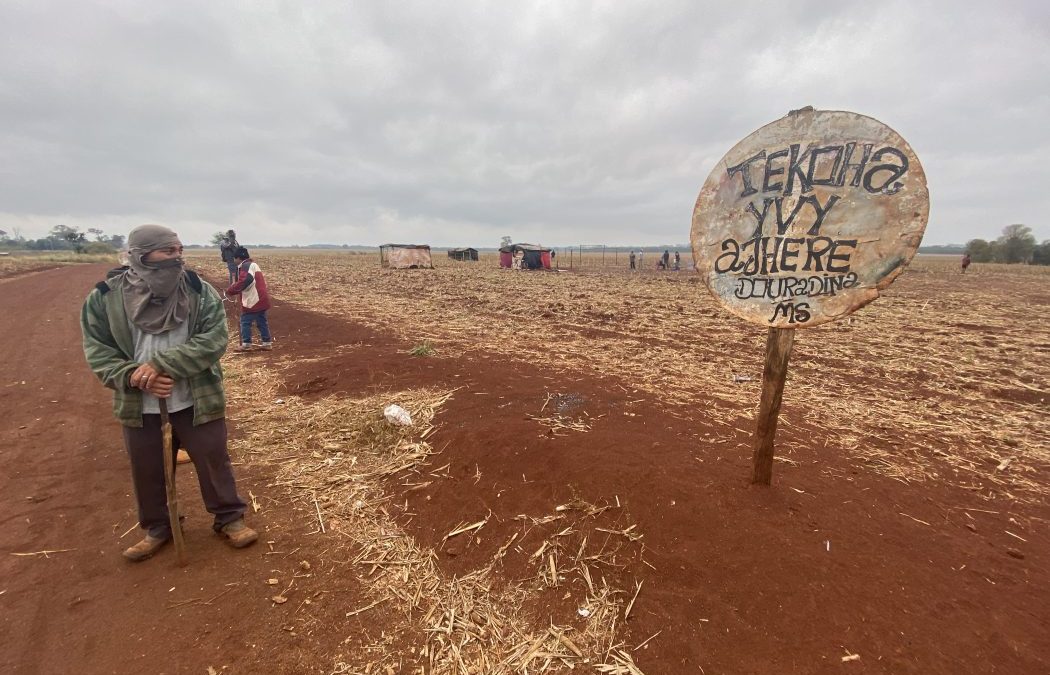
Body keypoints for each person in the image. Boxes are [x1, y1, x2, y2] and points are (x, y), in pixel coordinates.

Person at [81, 224, 257, 562]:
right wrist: (134, 376)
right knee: (147, 468)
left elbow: (214, 338)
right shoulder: (104, 297)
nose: (177, 258)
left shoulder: (197, 290)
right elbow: (98, 350)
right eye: (167, 251)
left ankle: (229, 519)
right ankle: (158, 527)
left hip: (196, 397)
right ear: (141, 255)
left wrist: (165, 365)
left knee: (213, 459)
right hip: (138, 403)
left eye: (179, 250)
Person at [226, 247, 273, 351]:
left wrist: (231, 290)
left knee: (245, 321)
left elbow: (244, 280)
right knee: (261, 321)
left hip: (254, 299)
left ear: (238, 258)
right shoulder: (253, 264)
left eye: (235, 258)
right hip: (261, 298)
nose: (234, 261)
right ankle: (267, 343)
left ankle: (246, 344)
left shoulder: (246, 266)